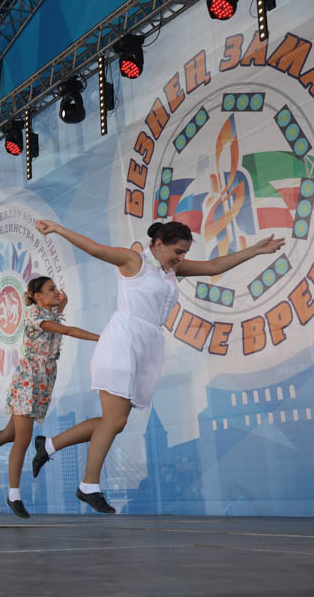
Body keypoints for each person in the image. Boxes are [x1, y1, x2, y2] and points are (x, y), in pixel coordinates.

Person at [30, 219, 284, 513]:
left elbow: (214, 266)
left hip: (146, 345)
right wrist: (58, 229)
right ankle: (89, 485)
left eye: (185, 252)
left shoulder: (170, 270)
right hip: (123, 341)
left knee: (116, 422)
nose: (181, 257)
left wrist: (255, 250)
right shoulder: (134, 261)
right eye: (178, 251)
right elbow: (95, 248)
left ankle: (49, 445)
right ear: (159, 244)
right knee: (113, 421)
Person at [0, 278, 99, 518]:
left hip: (41, 381)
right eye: (50, 289)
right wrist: (102, 338)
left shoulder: (49, 314)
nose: (56, 292)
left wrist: (62, 300)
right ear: (37, 295)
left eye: (56, 288)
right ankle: (14, 495)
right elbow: (68, 331)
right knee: (22, 440)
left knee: (8, 434)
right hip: (29, 382)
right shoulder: (35, 316)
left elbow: (59, 311)